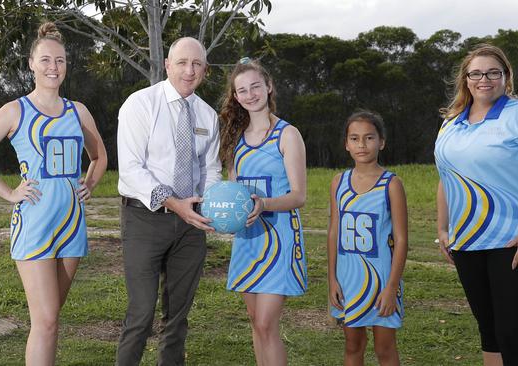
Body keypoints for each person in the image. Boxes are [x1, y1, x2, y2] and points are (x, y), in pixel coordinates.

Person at [0, 22, 107, 365]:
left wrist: (89, 184)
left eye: (60, 60)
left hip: (72, 225)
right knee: (45, 320)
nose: (53, 67)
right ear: (31, 63)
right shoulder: (15, 110)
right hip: (35, 225)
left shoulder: (78, 111)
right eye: (45, 60)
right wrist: (9, 192)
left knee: (51, 321)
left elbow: (99, 157)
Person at [435, 44, 518, 366]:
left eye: (494, 72)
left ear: (506, 76)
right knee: (490, 332)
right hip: (469, 240)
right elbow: (445, 177)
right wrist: (443, 228)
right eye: (476, 73)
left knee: (512, 335)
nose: (485, 79)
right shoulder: (451, 122)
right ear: (465, 79)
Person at [116, 36, 221, 365]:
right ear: (167, 65)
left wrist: (212, 204)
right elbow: (131, 169)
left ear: (205, 69)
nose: (189, 71)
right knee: (141, 314)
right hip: (145, 219)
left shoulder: (207, 116)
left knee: (177, 318)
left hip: (190, 227)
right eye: (182, 63)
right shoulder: (141, 104)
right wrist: (173, 202)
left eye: (197, 64)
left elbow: (211, 168)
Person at [218, 57, 307, 366]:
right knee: (256, 321)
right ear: (236, 97)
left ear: (269, 87)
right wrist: (222, 215)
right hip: (247, 240)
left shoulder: (287, 134)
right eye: (242, 90)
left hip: (279, 237)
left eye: (256, 86)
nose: (250, 94)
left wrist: (264, 203)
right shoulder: (234, 140)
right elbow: (233, 193)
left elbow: (299, 196)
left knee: (268, 323)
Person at [327, 111, 408, 366]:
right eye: (355, 138)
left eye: (369, 138)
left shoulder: (391, 183)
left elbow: (402, 239)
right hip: (348, 279)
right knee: (353, 345)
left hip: (382, 280)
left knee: (384, 348)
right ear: (346, 144)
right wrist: (332, 279)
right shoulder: (339, 182)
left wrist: (392, 287)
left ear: (381, 142)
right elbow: (334, 231)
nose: (362, 144)